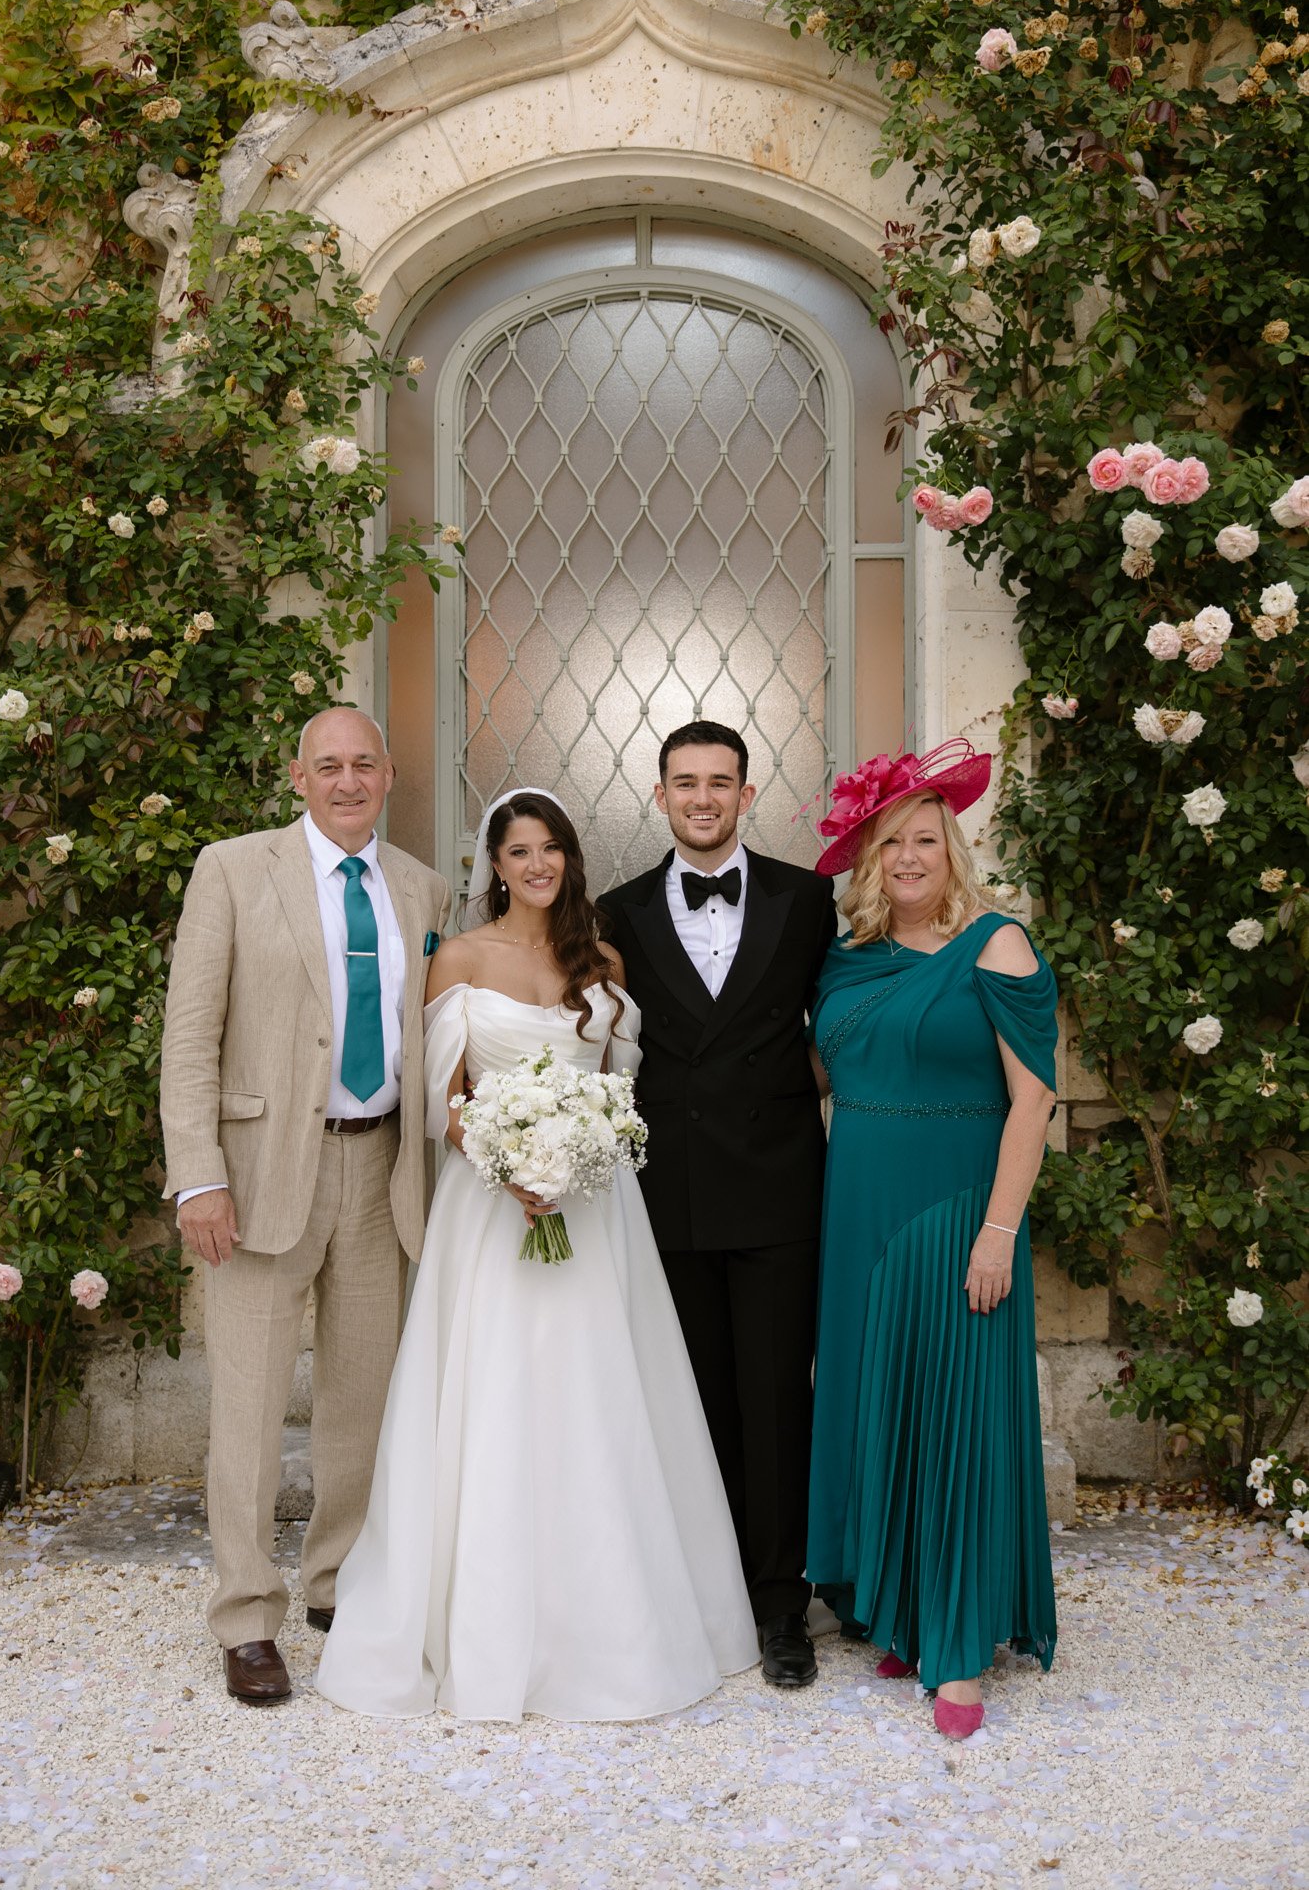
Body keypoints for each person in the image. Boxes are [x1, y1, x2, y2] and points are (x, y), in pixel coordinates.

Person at [317, 789, 758, 1720]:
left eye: (551, 848)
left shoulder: (600, 959)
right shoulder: (460, 959)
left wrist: (578, 1154)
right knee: (499, 1392)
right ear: (495, 864)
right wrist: (512, 1163)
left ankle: (620, 1618)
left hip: (597, 1211)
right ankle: (483, 1625)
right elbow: (442, 1101)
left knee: (601, 1394)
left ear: (569, 858)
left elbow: (619, 1090)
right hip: (491, 1209)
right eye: (519, 851)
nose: (537, 865)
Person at [159, 708, 451, 1705]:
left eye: (364, 761)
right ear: (298, 776)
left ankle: (336, 1582)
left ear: (390, 772)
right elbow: (190, 1034)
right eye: (327, 764)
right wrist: (197, 1173)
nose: (347, 779)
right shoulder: (233, 870)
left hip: (378, 1172)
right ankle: (246, 1614)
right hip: (257, 1175)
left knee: (360, 1401)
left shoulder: (422, 888)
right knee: (246, 1406)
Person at [805, 740, 1059, 1740]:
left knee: (955, 1411)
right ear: (867, 859)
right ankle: (904, 1607)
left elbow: (1032, 1097)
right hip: (857, 1205)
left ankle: (957, 1649)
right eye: (888, 841)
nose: (907, 855)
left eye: (924, 837)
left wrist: (998, 1229)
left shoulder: (998, 943)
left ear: (951, 846)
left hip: (957, 1206)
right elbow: (817, 1078)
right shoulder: (845, 958)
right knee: (884, 1405)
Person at [596, 724, 838, 1688]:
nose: (702, 798)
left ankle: (782, 1605)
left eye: (720, 783)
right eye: (684, 783)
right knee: (690, 1401)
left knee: (779, 1399)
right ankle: (700, 1598)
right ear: (658, 795)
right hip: (667, 1193)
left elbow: (848, 1021)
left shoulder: (809, 899)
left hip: (780, 1188)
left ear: (748, 794)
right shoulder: (612, 911)